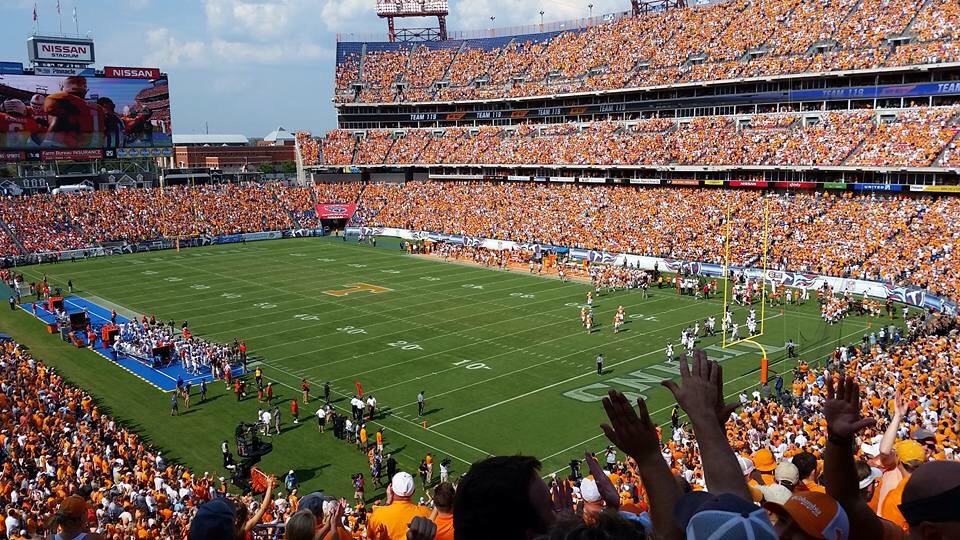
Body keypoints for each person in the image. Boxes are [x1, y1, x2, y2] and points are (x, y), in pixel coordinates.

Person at [366, 472, 431, 540]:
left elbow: (370, 536)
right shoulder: (427, 512)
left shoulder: (378, 514)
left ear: (391, 489)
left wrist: (388, 501)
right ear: (413, 490)